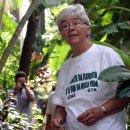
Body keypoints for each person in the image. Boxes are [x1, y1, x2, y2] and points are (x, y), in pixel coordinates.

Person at [51, 3, 130, 130]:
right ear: (62, 35)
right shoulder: (65, 67)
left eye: (76, 23)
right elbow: (60, 106)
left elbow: (126, 93)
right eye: (65, 25)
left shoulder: (107, 54)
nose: (70, 28)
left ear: (88, 29)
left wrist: (101, 111)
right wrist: (57, 120)